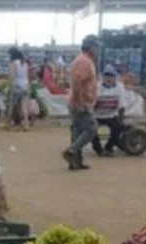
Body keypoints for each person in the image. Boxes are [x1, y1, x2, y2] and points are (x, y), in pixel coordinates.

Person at [63, 35, 100, 171]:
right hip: (81, 101)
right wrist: (80, 101)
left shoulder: (85, 60)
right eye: (96, 46)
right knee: (91, 128)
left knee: (78, 131)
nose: (98, 49)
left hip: (80, 100)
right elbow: (78, 83)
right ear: (90, 47)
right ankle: (72, 151)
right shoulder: (84, 62)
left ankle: (75, 161)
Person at [91, 65, 126, 156]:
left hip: (111, 115)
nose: (109, 78)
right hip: (97, 115)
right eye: (106, 76)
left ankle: (108, 148)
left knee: (118, 128)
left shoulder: (120, 88)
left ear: (115, 77)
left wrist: (121, 120)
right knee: (90, 128)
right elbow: (91, 103)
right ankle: (98, 150)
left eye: (111, 76)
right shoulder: (96, 87)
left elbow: (122, 106)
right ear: (103, 77)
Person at [7, 47, 30, 130]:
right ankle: (26, 123)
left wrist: (8, 85)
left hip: (16, 85)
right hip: (25, 85)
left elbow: (12, 75)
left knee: (12, 105)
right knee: (24, 106)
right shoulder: (24, 63)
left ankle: (9, 123)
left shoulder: (13, 63)